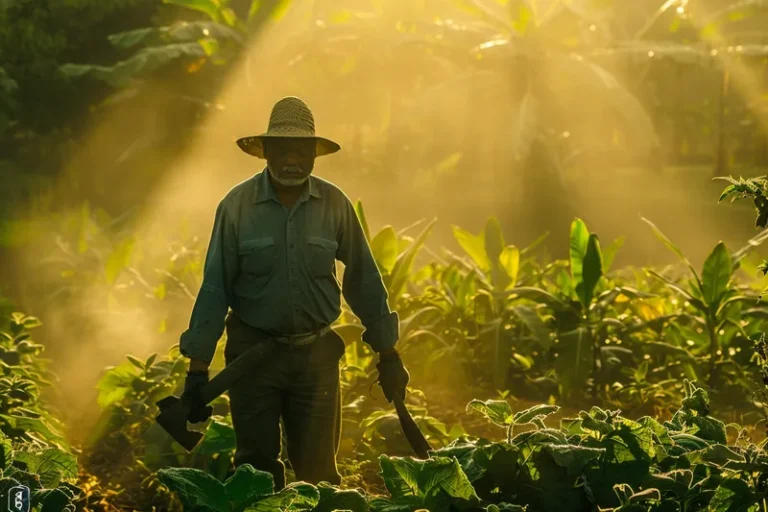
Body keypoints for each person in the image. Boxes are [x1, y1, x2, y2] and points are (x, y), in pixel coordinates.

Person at [177, 96, 410, 490]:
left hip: (316, 358)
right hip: (253, 357)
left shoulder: (334, 204)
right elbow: (215, 287)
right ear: (264, 151)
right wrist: (198, 371)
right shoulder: (236, 207)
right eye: (281, 149)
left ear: (315, 155)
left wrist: (388, 354)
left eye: (301, 150)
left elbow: (364, 279)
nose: (291, 159)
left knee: (319, 475)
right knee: (255, 472)